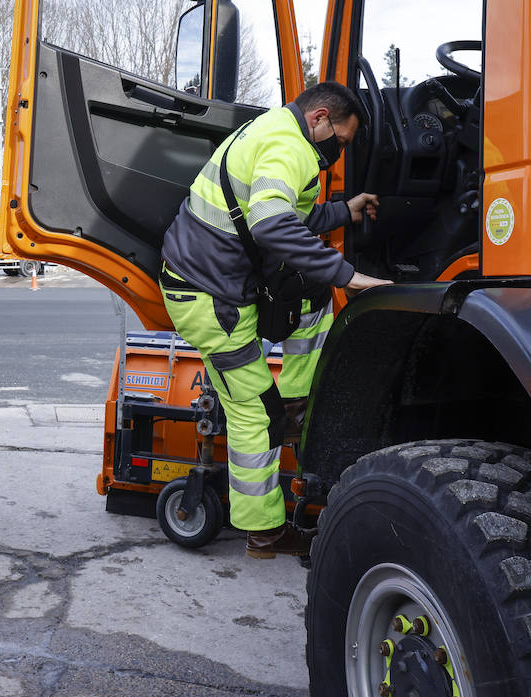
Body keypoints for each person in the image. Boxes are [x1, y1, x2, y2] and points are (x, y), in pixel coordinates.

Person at [158, 81, 392, 559]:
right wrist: (348, 275)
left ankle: (295, 404)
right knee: (254, 414)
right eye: (341, 142)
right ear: (320, 118)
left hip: (219, 285)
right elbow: (271, 224)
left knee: (312, 295)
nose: (338, 153)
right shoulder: (290, 145)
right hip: (207, 299)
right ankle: (264, 531)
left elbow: (287, 215)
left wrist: (343, 211)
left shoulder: (276, 131)